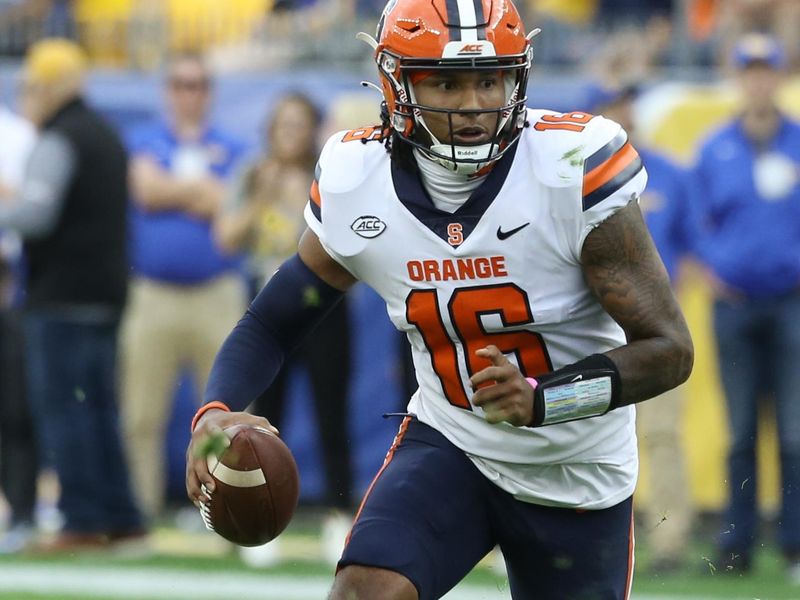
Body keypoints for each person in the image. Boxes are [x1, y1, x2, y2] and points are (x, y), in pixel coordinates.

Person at [187, 0, 694, 598]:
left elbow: (669, 350)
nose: (475, 103)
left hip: (576, 470)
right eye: (447, 83)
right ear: (394, 84)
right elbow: (274, 322)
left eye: (490, 78)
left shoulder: (570, 167)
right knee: (364, 591)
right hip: (455, 443)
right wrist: (215, 407)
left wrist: (543, 398)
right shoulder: (358, 179)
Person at [0, 38, 145, 552]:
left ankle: (81, 519)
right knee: (99, 409)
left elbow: (36, 216)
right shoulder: (105, 132)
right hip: (104, 293)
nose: (27, 95)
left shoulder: (61, 137)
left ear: (51, 85)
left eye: (32, 85)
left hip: (61, 296)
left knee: (66, 411)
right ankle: (123, 517)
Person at [215, 92, 354, 565]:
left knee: (330, 413)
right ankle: (257, 515)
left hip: (323, 307)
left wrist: (300, 198)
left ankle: (339, 514)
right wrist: (262, 197)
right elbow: (227, 236)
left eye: (299, 124)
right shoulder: (252, 173)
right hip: (268, 304)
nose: (290, 133)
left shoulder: (329, 175)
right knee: (263, 414)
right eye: (283, 124)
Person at [687, 33, 800, 582]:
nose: (758, 80)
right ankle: (738, 543)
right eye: (749, 70)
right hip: (733, 303)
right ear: (739, 77)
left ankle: (795, 543)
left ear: (779, 77)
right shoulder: (714, 147)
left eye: (766, 70)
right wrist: (710, 268)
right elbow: (695, 220)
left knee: (796, 429)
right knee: (739, 432)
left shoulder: (799, 141)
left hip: (791, 301)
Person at [121, 52, 247, 523]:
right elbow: (145, 192)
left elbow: (231, 201)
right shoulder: (142, 139)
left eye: (196, 85)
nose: (188, 93)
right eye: (179, 84)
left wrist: (171, 189)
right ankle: (140, 513)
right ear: (167, 91)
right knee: (141, 412)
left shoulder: (234, 145)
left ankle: (233, 513)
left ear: (208, 92)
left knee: (229, 414)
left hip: (218, 290)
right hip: (152, 293)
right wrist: (202, 193)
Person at [586, 83, 695, 575]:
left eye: (628, 102)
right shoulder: (575, 172)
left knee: (663, 432)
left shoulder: (667, 170)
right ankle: (573, 532)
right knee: (577, 430)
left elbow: (694, 242)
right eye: (612, 103)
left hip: (652, 327)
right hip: (589, 324)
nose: (623, 111)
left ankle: (669, 542)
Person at [0, 97, 36, 553]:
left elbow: (31, 213)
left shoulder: (18, 134)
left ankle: (20, 509)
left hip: (7, 286)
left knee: (14, 410)